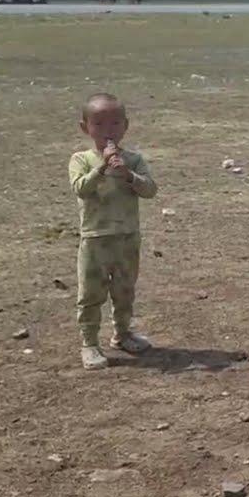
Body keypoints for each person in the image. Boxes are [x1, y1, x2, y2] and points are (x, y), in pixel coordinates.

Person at [67, 93, 158, 370]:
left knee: (124, 289)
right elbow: (80, 188)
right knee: (91, 293)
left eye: (116, 123)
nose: (109, 131)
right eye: (99, 124)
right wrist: (102, 168)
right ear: (86, 128)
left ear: (126, 126)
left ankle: (123, 333)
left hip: (127, 237)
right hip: (95, 239)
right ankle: (90, 343)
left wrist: (129, 175)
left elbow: (150, 190)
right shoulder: (81, 159)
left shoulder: (133, 159)